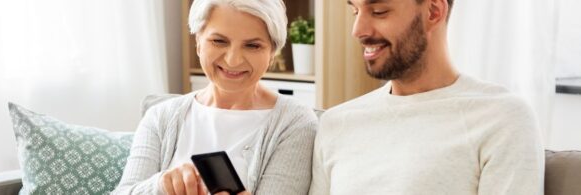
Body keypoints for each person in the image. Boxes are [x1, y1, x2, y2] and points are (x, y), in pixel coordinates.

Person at [310, 0, 544, 194]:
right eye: (355, 11)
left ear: (433, 12)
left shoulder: (501, 118)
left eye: (379, 11)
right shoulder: (336, 123)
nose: (358, 30)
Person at [112, 0, 316, 194]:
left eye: (252, 46)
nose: (233, 60)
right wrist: (161, 186)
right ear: (198, 41)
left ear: (272, 52)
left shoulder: (295, 123)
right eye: (219, 41)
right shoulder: (160, 117)